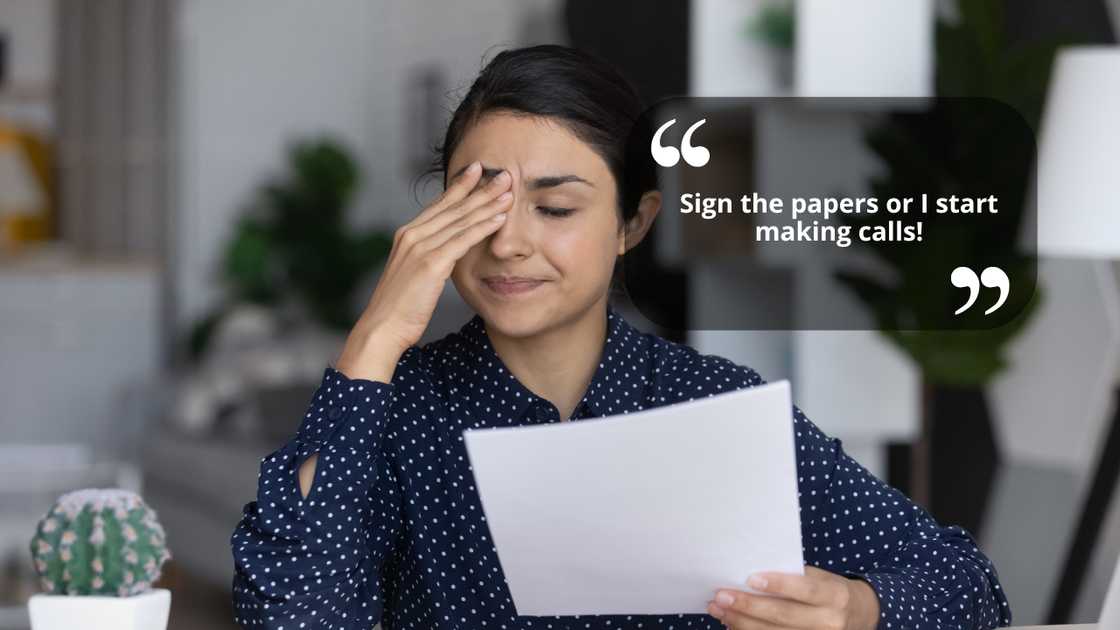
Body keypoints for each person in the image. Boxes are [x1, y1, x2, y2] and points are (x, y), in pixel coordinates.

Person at [229, 44, 1012, 630]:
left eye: (556, 208)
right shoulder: (391, 414)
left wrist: (858, 606)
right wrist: (375, 338)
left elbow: (971, 587)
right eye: (478, 207)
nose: (507, 245)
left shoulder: (714, 408)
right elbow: (293, 617)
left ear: (633, 221)